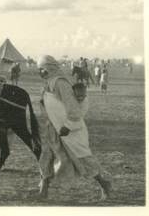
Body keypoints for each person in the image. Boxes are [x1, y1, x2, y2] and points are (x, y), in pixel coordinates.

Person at [37, 55, 112, 200]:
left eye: (42, 69)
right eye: (39, 70)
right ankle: (43, 189)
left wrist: (67, 126)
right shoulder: (49, 83)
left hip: (66, 130)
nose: (40, 72)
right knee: (46, 155)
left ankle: (103, 183)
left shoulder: (60, 83)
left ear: (50, 69)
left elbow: (73, 109)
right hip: (51, 128)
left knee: (80, 158)